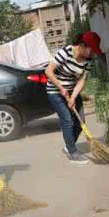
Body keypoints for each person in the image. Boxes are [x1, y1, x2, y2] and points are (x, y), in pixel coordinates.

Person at [45, 31, 103, 165]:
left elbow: (82, 81)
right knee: (67, 120)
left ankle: (68, 144)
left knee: (80, 120)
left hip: (72, 91)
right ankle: (72, 152)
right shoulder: (65, 53)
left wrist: (73, 97)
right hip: (55, 91)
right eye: (91, 50)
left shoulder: (88, 61)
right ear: (83, 45)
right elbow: (48, 71)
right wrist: (61, 87)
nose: (92, 53)